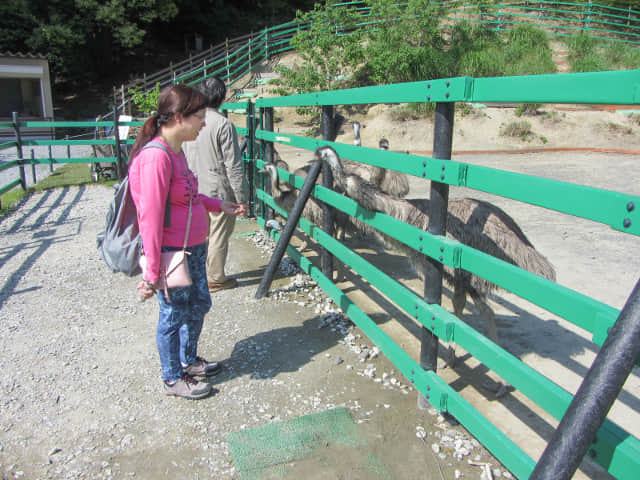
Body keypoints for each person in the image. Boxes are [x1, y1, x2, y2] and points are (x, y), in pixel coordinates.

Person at [128, 84, 245, 400]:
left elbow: (188, 196)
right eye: (199, 117)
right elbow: (150, 220)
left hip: (193, 246)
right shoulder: (157, 158)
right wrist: (152, 272)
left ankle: (188, 360)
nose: (204, 124)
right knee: (174, 314)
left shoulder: (176, 152)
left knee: (199, 304)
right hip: (172, 253)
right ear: (179, 117)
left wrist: (217, 204)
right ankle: (172, 378)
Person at [183, 76, 248, 293]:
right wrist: (242, 199)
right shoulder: (223, 124)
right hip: (218, 190)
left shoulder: (188, 121)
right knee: (219, 234)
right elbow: (234, 165)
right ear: (221, 97)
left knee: (200, 234)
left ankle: (198, 274)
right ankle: (216, 278)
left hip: (193, 188)